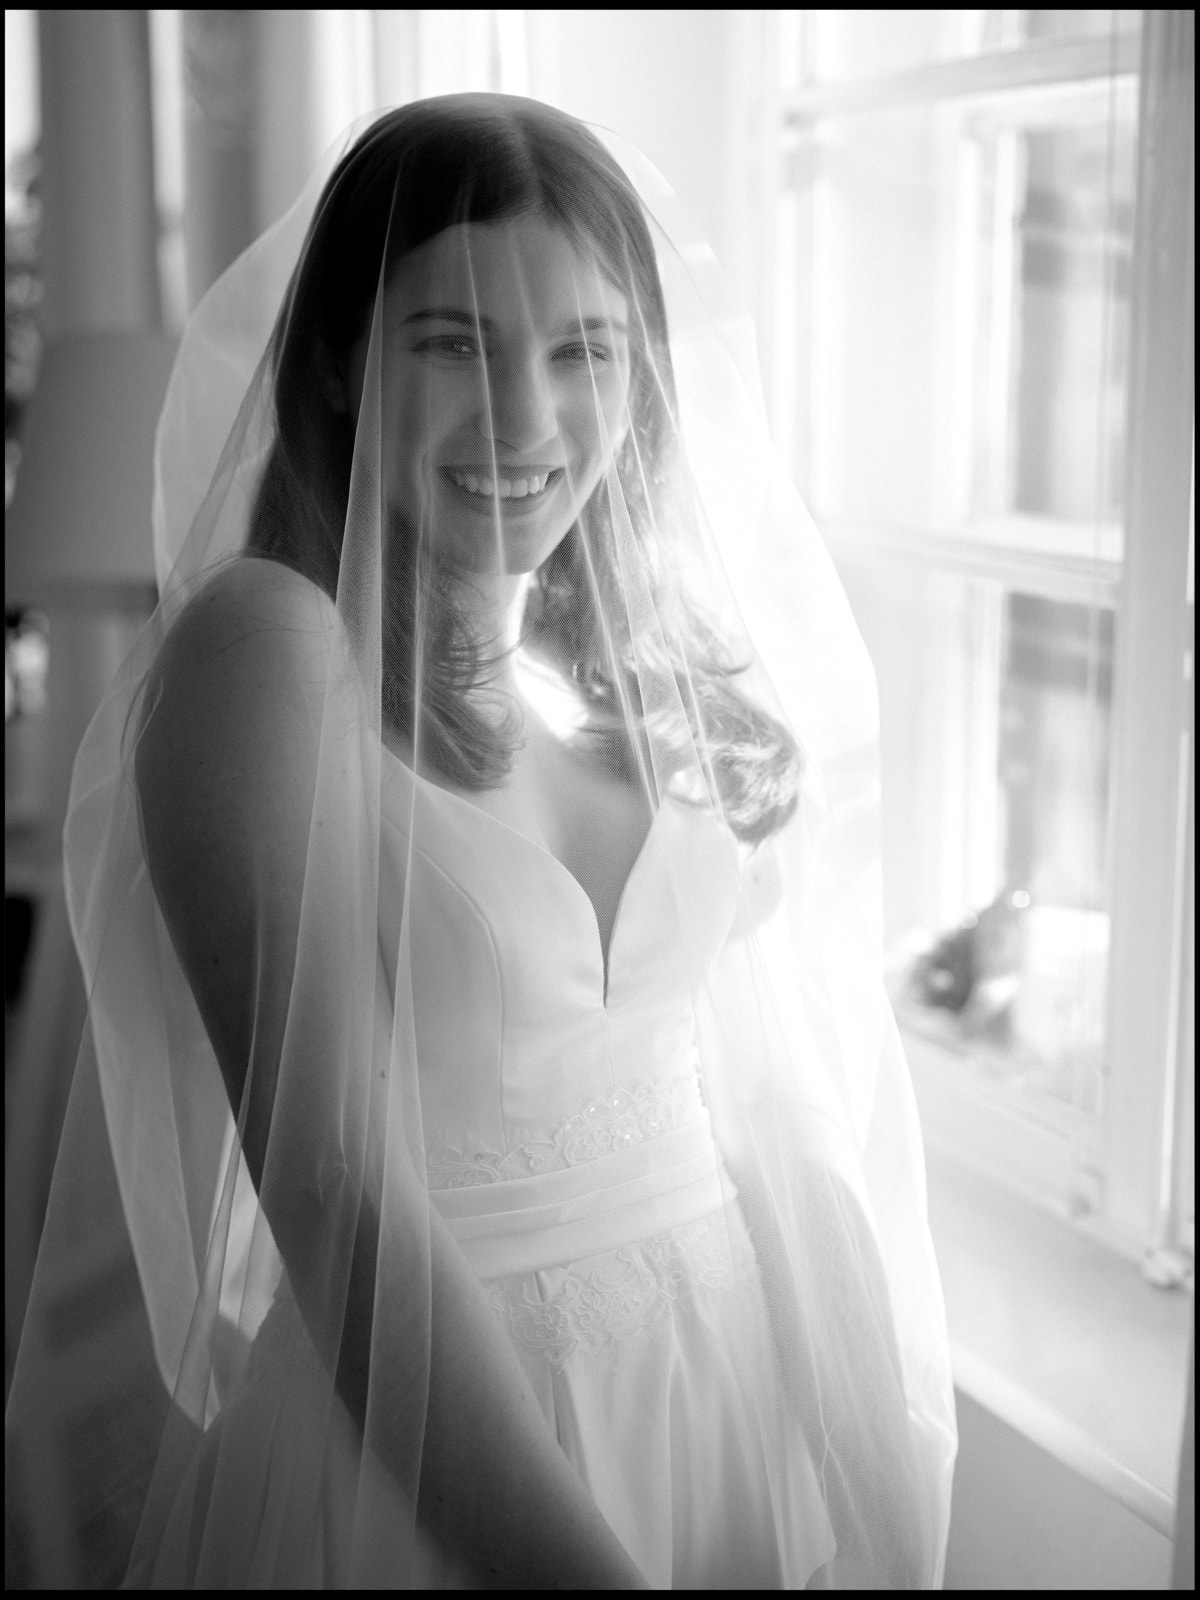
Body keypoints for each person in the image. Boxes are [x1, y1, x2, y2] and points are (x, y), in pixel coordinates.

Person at [5, 95, 956, 1589]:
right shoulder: (267, 647)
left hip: (716, 1396)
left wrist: (868, 1468)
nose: (527, 418)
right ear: (336, 361)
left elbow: (776, 1113)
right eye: (455, 342)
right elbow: (333, 1190)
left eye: (586, 351)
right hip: (443, 1454)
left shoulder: (627, 670)